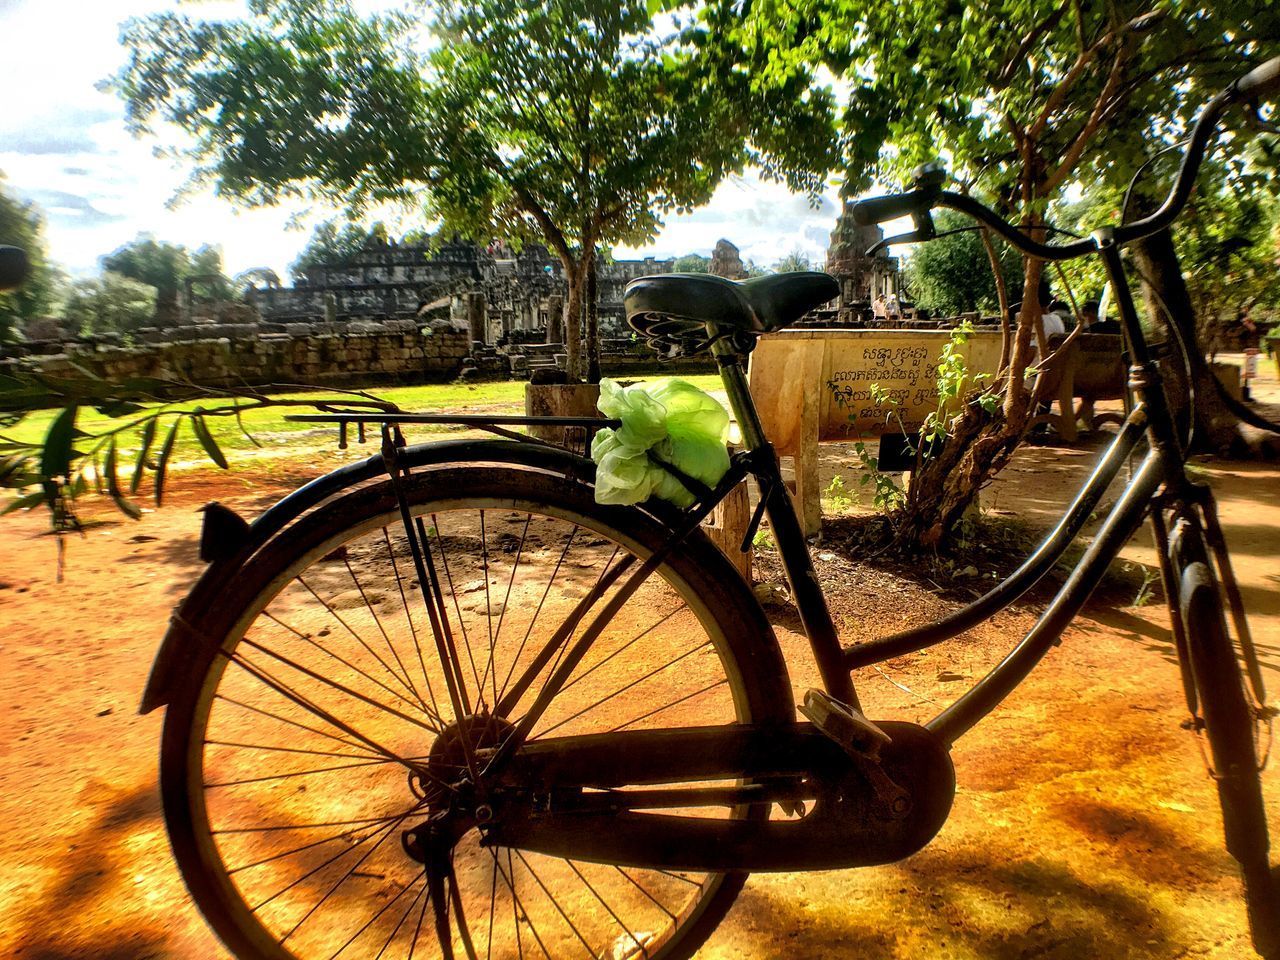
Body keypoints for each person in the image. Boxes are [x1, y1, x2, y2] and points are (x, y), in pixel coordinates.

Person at [1239, 303, 1261, 402]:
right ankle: (1245, 396)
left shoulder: (1249, 323)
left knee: (1249, 373)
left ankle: (1246, 395)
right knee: (1246, 373)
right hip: (1247, 350)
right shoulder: (1245, 325)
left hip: (1251, 350)